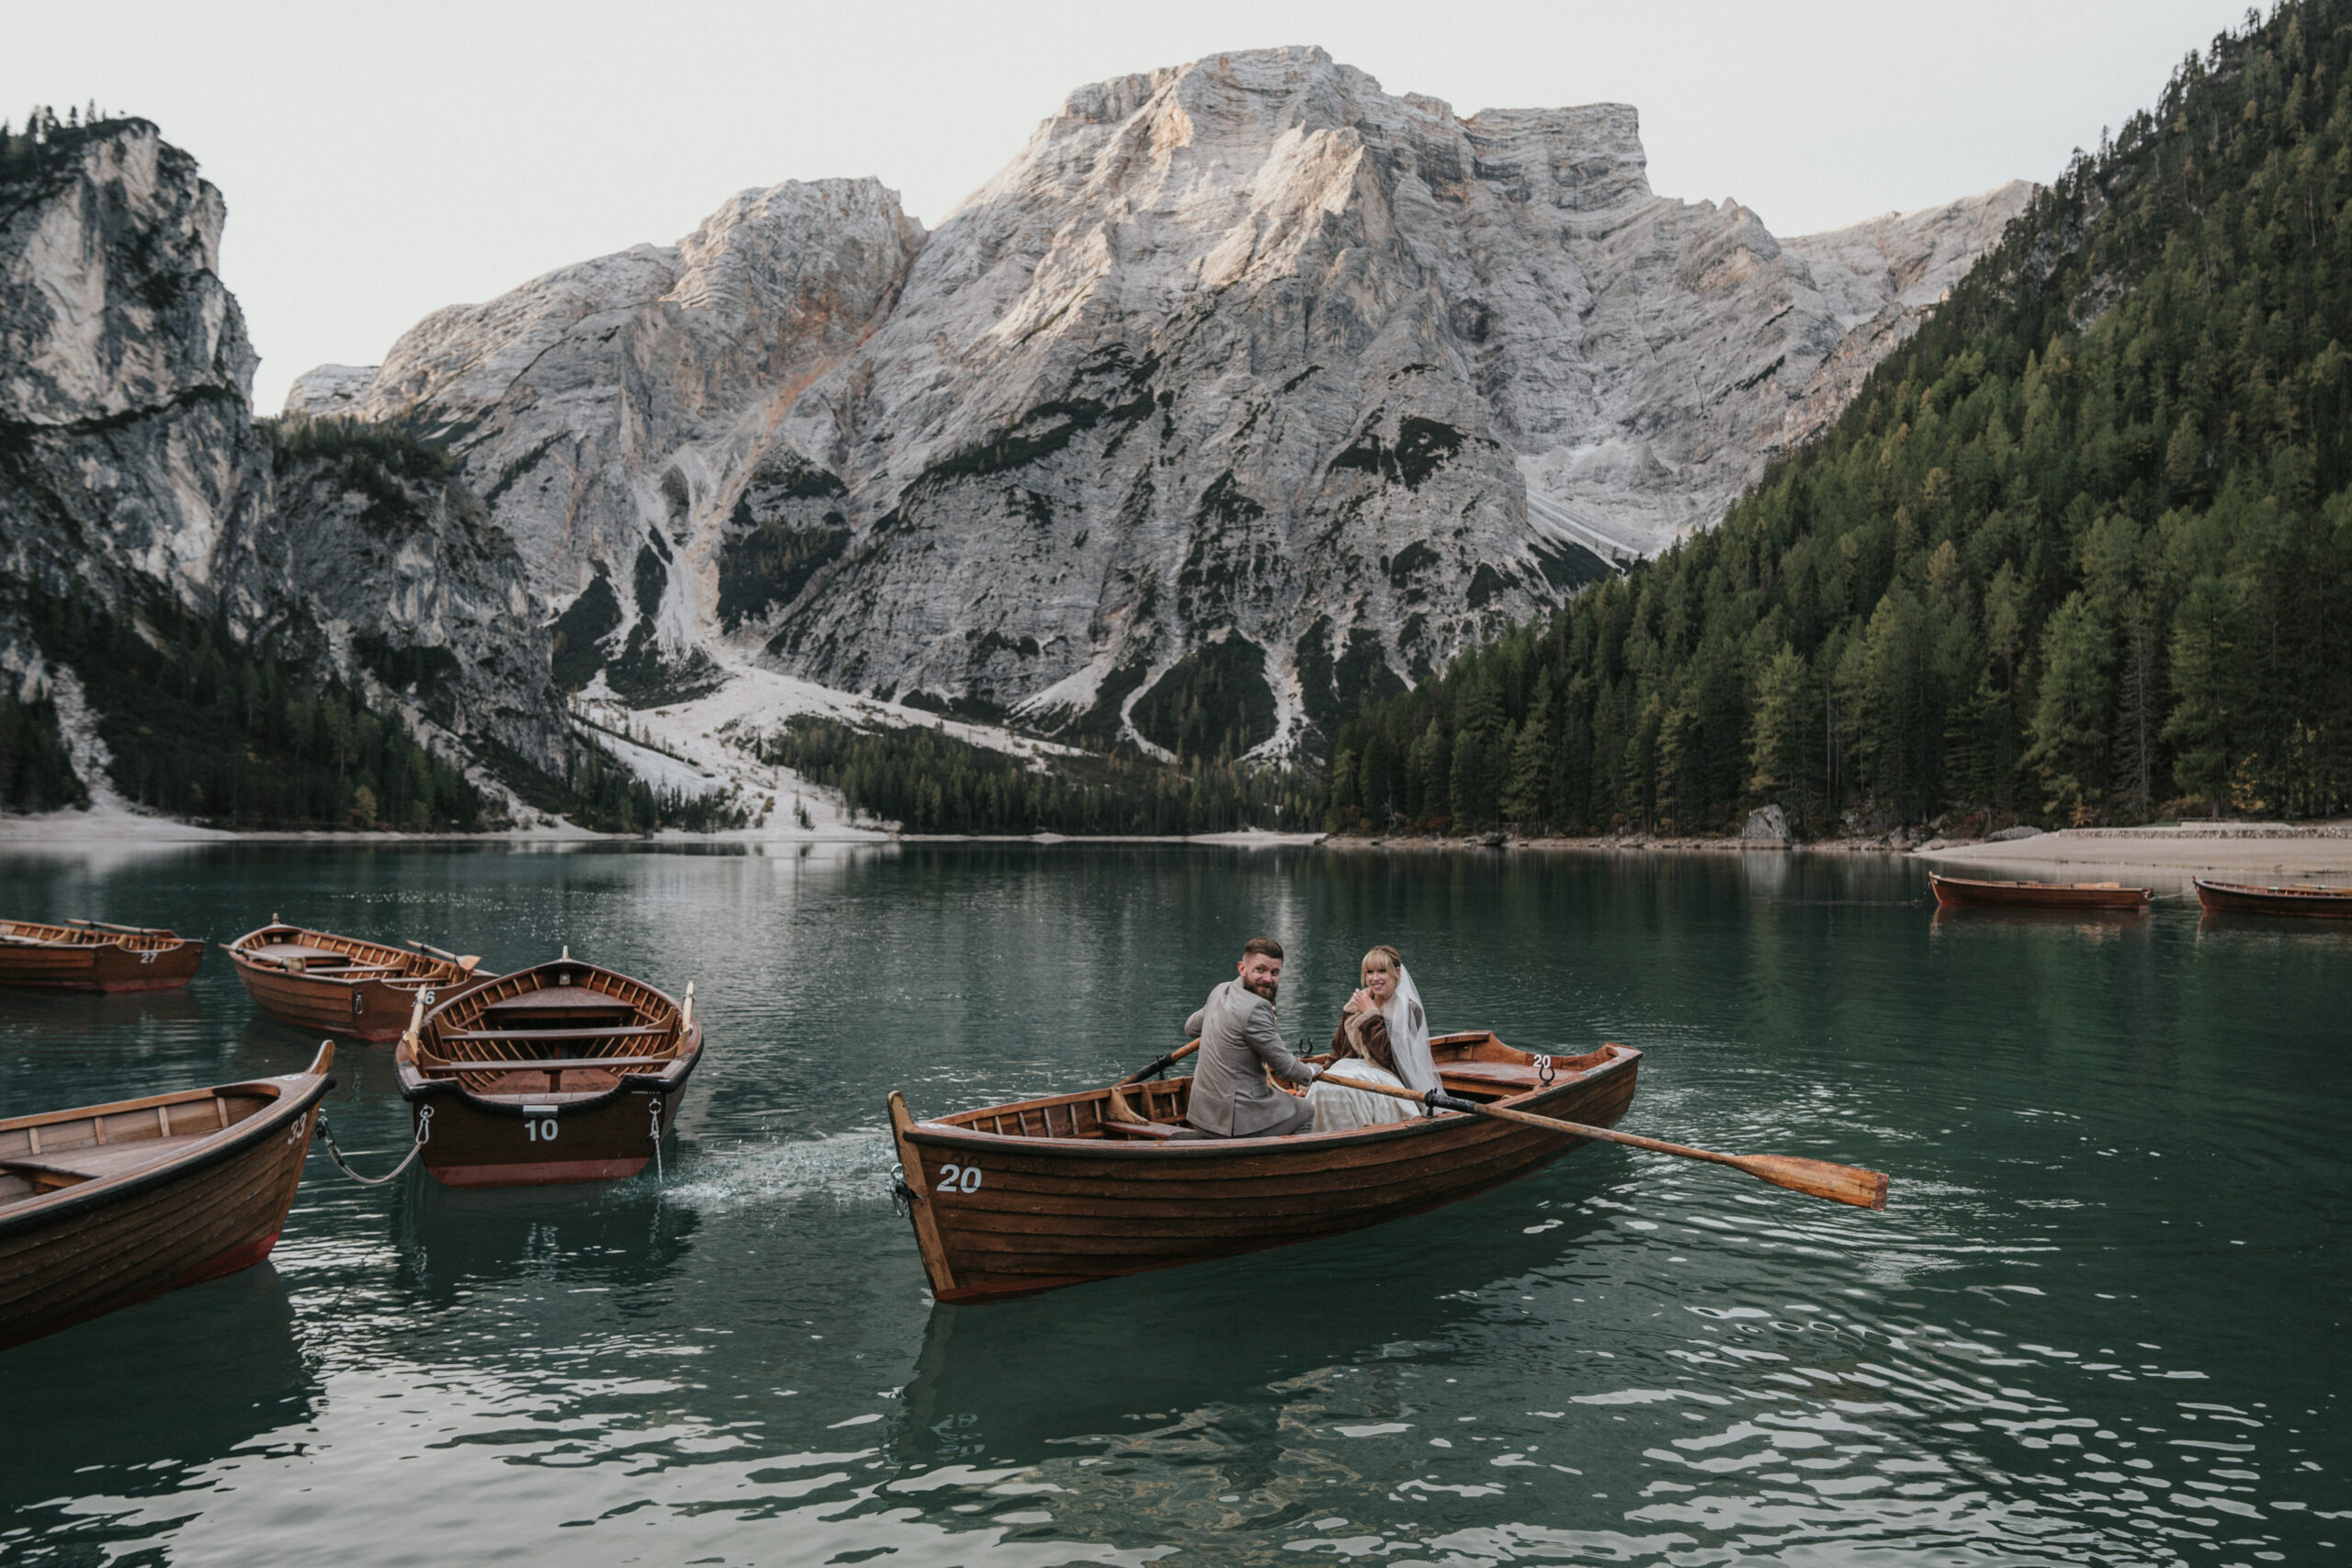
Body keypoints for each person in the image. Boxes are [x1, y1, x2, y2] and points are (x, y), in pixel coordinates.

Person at [1178, 937, 1321, 1138]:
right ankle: (1285, 1166)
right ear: (1242, 968)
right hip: (1231, 1123)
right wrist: (1311, 1071)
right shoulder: (1257, 1007)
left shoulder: (1220, 990)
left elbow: (1191, 1027)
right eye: (1260, 970)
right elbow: (1287, 1069)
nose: (1268, 979)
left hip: (1201, 1117)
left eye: (1275, 972)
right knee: (1306, 1110)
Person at [1307, 945, 1439, 1133]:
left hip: (1389, 1075)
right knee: (1324, 1086)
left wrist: (1370, 1014)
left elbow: (1387, 1057)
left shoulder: (1409, 1010)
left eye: (1382, 971)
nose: (1374, 978)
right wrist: (1319, 1076)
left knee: (1339, 1091)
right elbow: (1338, 1050)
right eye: (1370, 972)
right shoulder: (1356, 1004)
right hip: (1348, 1070)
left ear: (1397, 972)